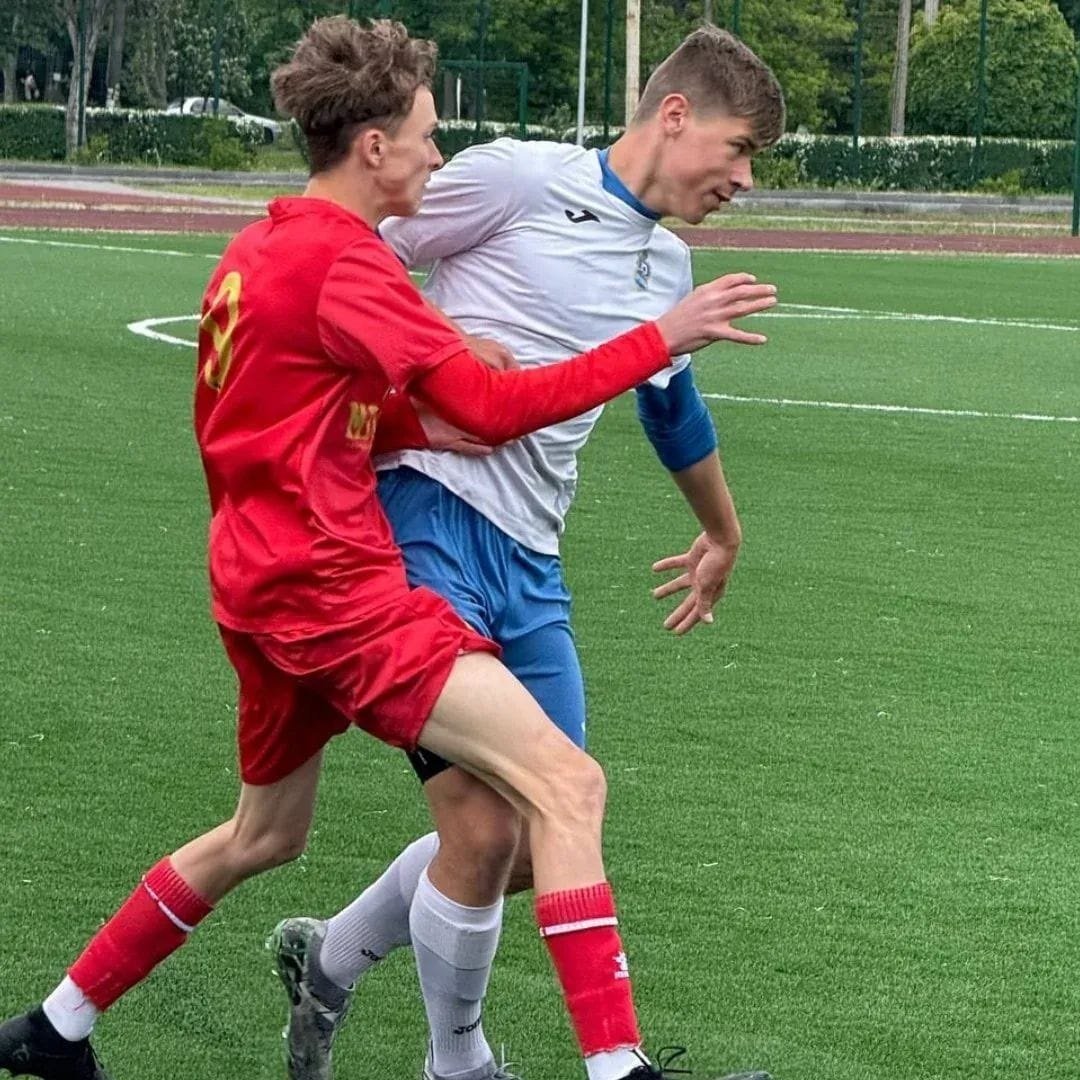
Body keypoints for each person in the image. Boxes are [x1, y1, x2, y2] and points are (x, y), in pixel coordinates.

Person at [0, 16, 779, 1080]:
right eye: (426, 135)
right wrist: (627, 342)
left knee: (271, 835)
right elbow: (488, 404)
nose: (439, 158)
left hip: (264, 577)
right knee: (561, 791)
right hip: (346, 580)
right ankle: (584, 1070)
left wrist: (411, 410)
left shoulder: (261, 250)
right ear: (375, 148)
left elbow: (286, 393)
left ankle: (58, 1025)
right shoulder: (361, 257)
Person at [269, 23, 784, 1080]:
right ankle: (467, 1065)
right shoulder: (521, 180)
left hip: (532, 562)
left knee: (526, 835)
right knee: (500, 818)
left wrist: (723, 531)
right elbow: (353, 246)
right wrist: (440, 350)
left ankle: (333, 957)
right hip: (424, 515)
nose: (744, 178)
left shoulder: (669, 265)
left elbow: (671, 410)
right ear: (675, 115)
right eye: (738, 149)